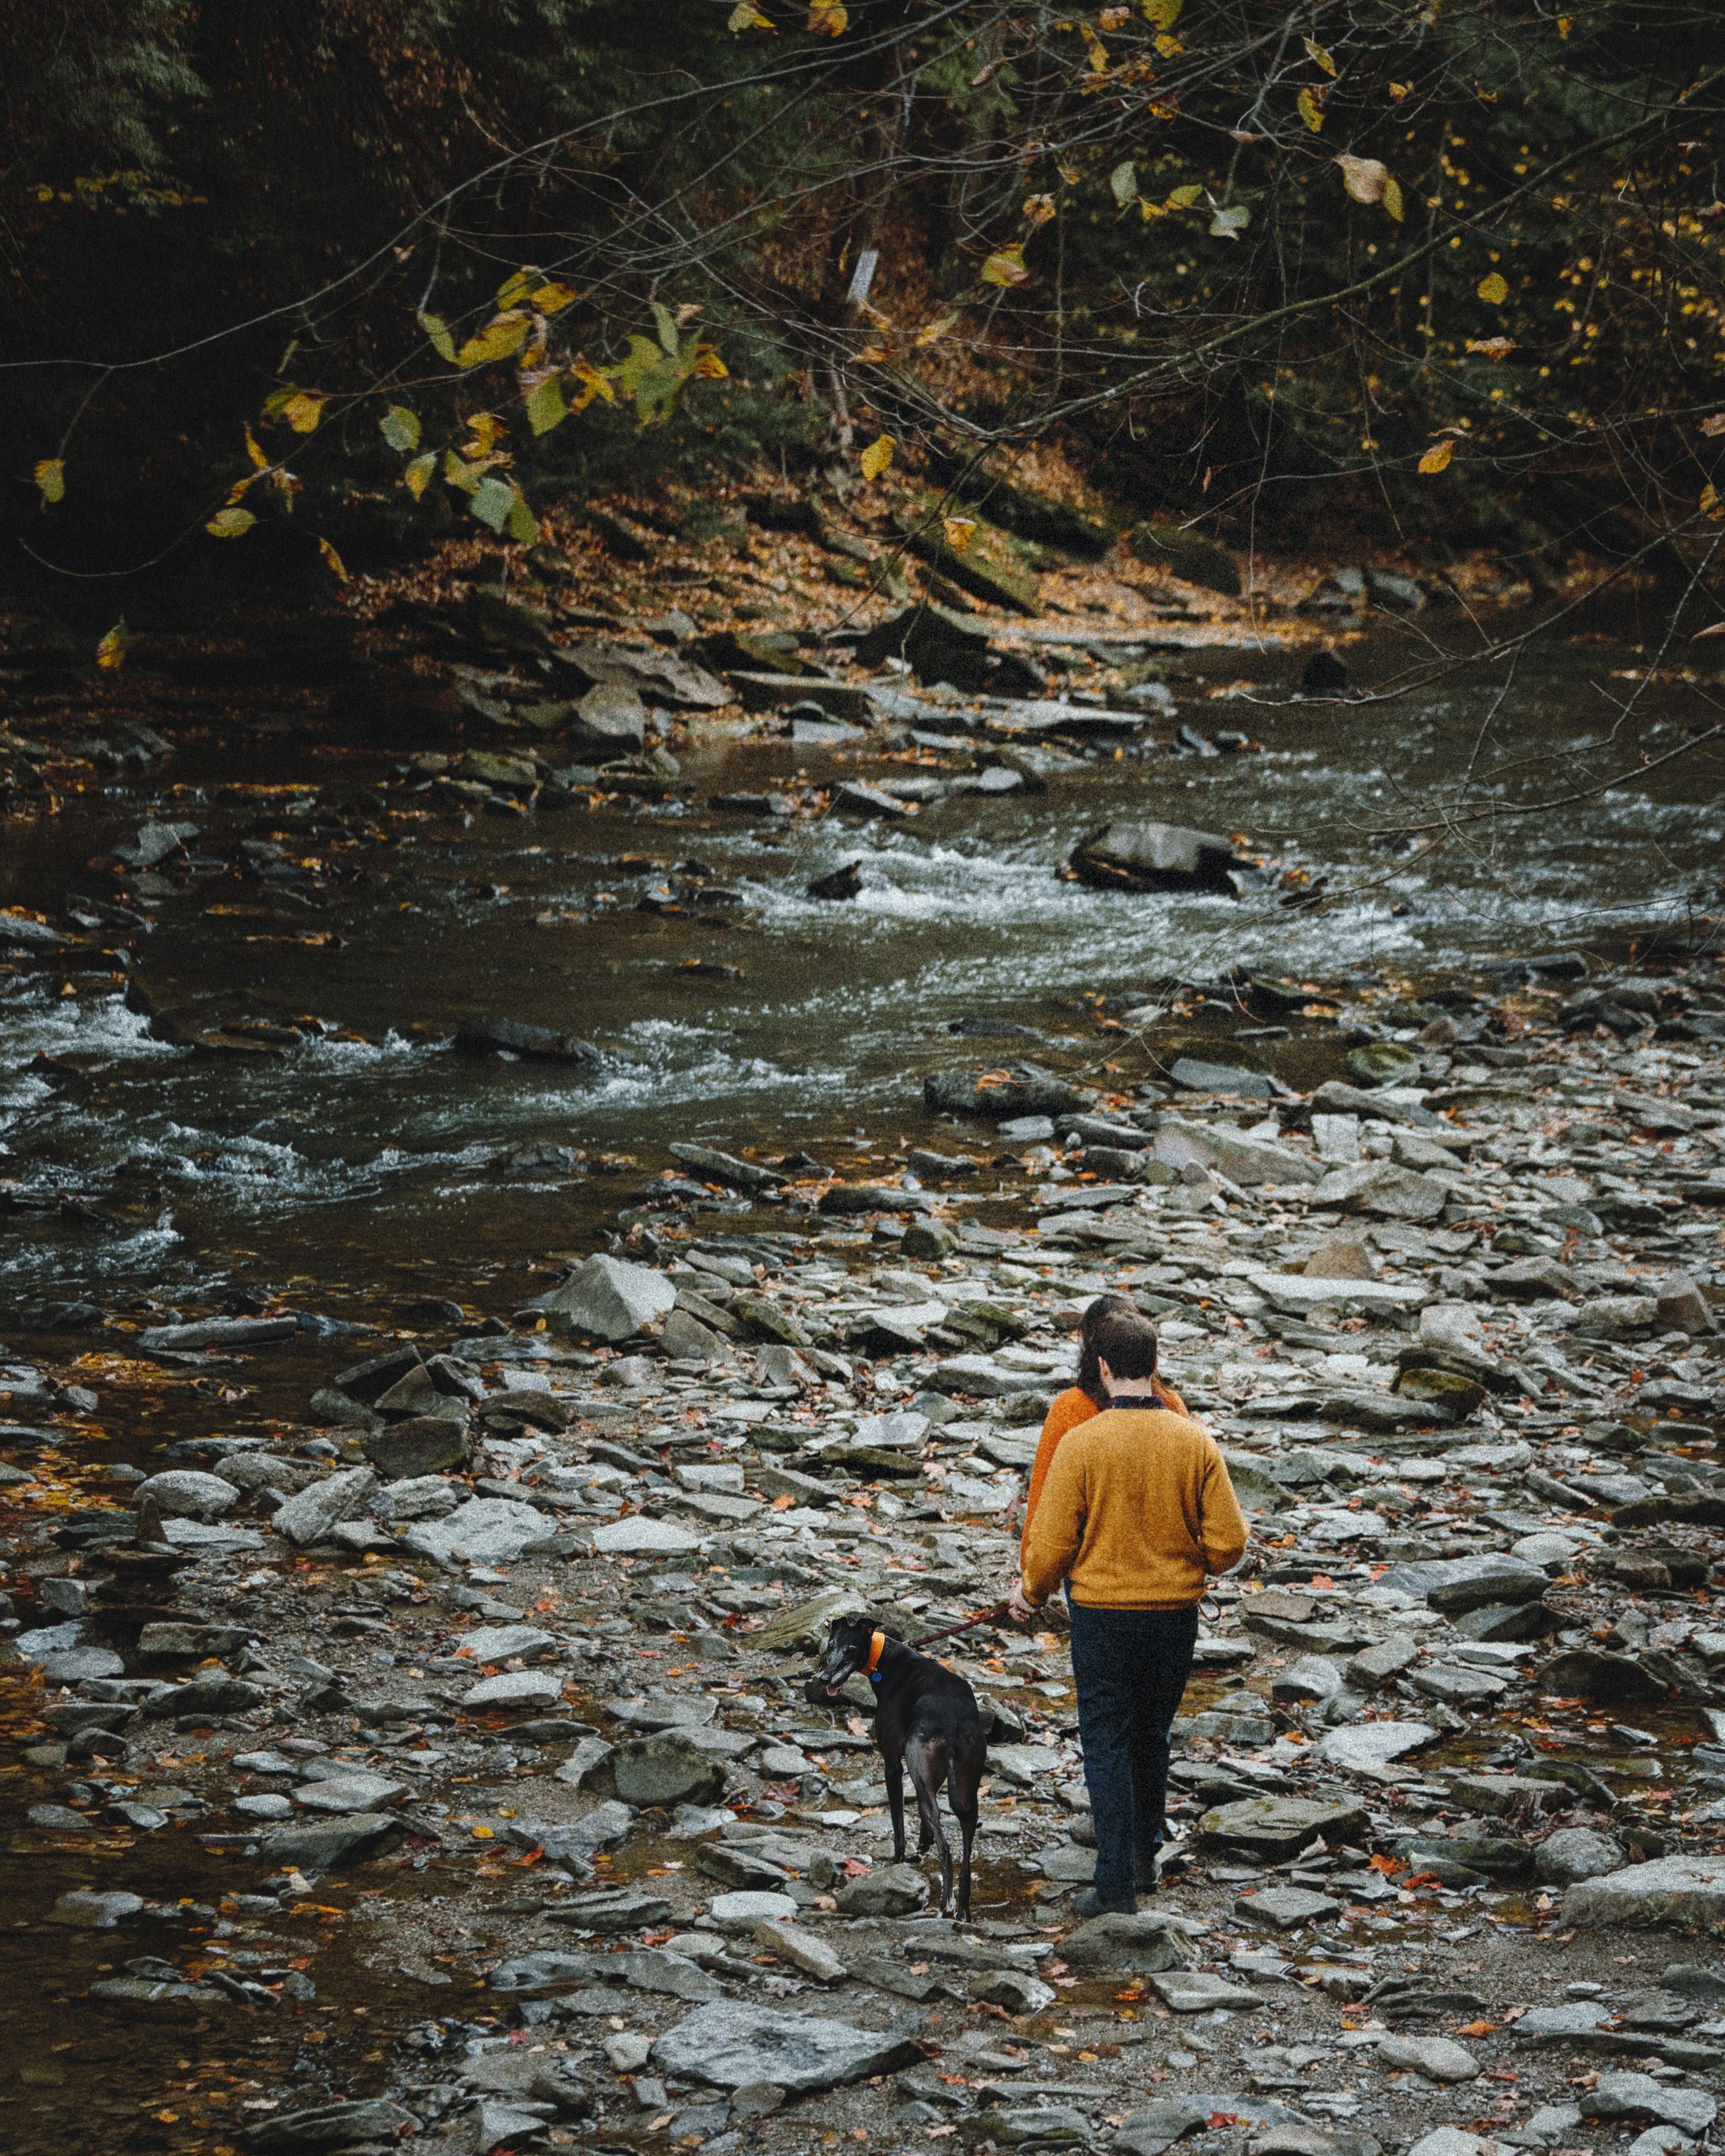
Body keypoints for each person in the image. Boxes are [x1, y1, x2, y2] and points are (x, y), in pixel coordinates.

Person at [1012, 1309, 1247, 1915]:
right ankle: (1145, 1856)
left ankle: (1114, 1886)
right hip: (1174, 1616)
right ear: (1156, 1363)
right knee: (1151, 1733)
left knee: (1106, 1741)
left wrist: (1032, 1593)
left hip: (1102, 1616)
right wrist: (1191, 1565)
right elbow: (1230, 1543)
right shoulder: (1194, 1440)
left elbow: (1052, 1541)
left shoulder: (1081, 1442)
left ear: (1103, 1367)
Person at [1017, 1294, 1191, 1543]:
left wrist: (1031, 1561)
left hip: (1093, 1559)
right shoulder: (1170, 1403)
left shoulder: (1070, 1407)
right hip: (1169, 1557)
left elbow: (1044, 1499)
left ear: (1096, 1356)